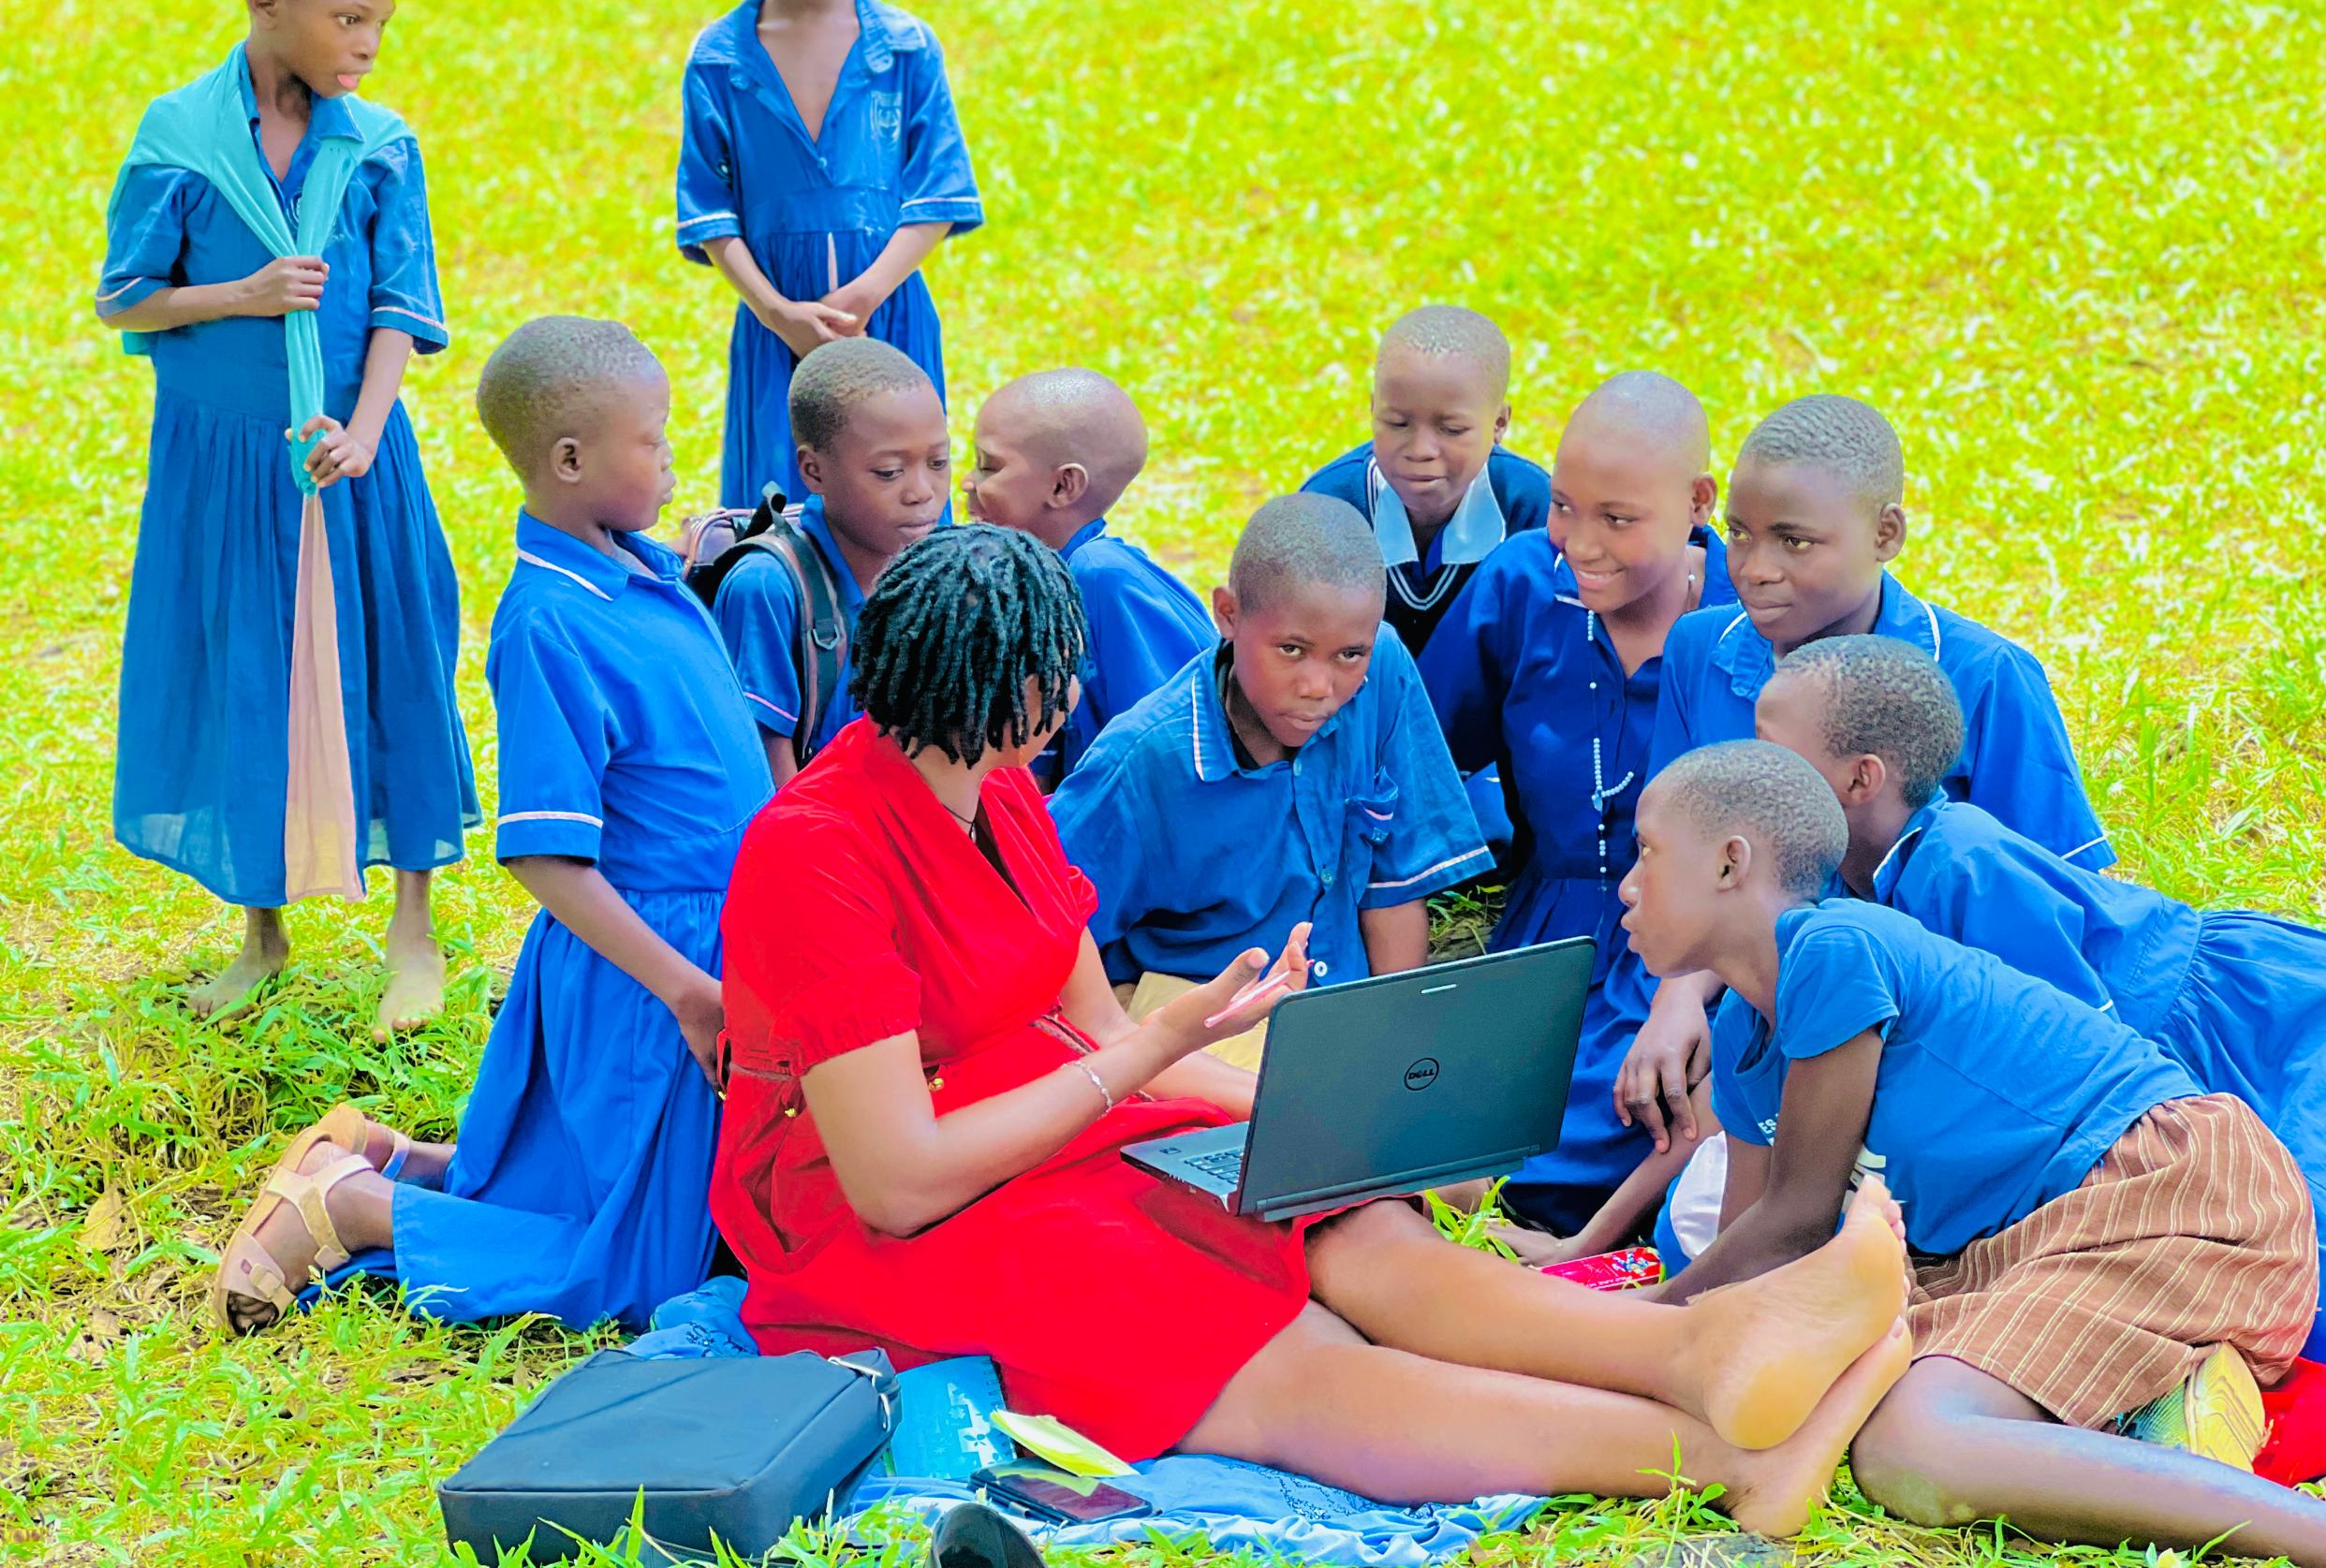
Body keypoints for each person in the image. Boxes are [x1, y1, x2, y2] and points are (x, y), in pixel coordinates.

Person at [710, 521, 1919, 1533]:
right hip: (875, 1212)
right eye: (1042, 683)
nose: (1069, 701)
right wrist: (1160, 1050)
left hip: (1041, 1118)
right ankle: (1728, 1462)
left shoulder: (1000, 781)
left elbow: (1081, 1027)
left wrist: (1304, 1120)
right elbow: (895, 1182)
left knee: (1341, 1212)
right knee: (1259, 1348)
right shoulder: (815, 854)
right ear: (957, 689)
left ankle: (1698, 1351)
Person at [1622, 740, 2326, 1566]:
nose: (1627, 887)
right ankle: (2156, 1417)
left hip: (2165, 1189)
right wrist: (1676, 1335)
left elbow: (1793, 1219)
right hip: (2017, 1248)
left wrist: (1615, 1334)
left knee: (1913, 1446)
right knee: (1830, 1379)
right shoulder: (1744, 1035)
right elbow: (1755, 1267)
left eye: (1647, 852)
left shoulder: (1835, 946)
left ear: (1731, 862)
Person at [207, 318, 776, 1334]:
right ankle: (349, 1205)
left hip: (703, 952)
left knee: (641, 1212)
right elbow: (548, 858)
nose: (671, 456)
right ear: (569, 460)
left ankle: (384, 1157)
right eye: (652, 440)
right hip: (649, 973)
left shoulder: (644, 578)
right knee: (638, 1278)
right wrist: (689, 991)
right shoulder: (549, 622)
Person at [1754, 634, 2326, 1370]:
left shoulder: (1959, 859)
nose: (1751, 774)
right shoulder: (1836, 894)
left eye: (1771, 751)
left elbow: (2089, 1054)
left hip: (2286, 1022)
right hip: (2188, 1074)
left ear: (1859, 779)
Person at [94, 0, 478, 1036]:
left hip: (354, 459)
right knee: (249, 675)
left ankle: (414, 933)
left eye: (380, 26)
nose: (367, 45)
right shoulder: (179, 140)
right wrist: (245, 295)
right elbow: (128, 296)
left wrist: (365, 428)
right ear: (268, 2)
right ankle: (260, 935)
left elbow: (402, 304)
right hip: (226, 470)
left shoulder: (377, 146)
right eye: (351, 19)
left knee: (393, 663)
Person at [1635, 393, 2113, 1154]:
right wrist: (1676, 999)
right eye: (1739, 534)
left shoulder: (1983, 675)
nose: (1757, 570)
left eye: (1796, 541)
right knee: (1620, 1135)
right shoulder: (1701, 650)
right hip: (1751, 1002)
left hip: (1930, 1029)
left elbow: (2047, 914)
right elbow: (1678, 854)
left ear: (1886, 533)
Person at [1417, 373, 1731, 1240]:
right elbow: (1422, 759)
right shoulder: (1523, 588)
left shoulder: (1750, 622)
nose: (1577, 542)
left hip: (1693, 950)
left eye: (1617, 519)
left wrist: (1679, 996)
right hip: (1546, 934)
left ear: (1699, 503)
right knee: (1452, 1137)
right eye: (1562, 506)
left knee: (1640, 1119)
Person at [1051, 495, 1492, 1069]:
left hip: (1335, 1012)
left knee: (1465, 1147)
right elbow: (1047, 931)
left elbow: (1395, 883)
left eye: (1347, 654)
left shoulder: (1380, 669)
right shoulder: (1142, 763)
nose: (1319, 685)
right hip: (1196, 1021)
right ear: (1228, 614)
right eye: (1291, 650)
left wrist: (1398, 1039)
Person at [676, 0, 980, 507]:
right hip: (778, 331)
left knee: (897, 495)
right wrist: (779, 312)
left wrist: (868, 294)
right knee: (783, 502)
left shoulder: (906, 48)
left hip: (889, 316)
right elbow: (708, 213)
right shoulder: (721, 59)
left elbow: (939, 195)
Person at [963, 368, 1215, 784]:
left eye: (990, 467)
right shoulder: (1035, 580)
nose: (968, 482)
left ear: (1064, 486)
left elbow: (1170, 753)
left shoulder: (1101, 578)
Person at [715, 337, 949, 784]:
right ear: (813, 471)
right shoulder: (769, 587)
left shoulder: (929, 571)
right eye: (889, 472)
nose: (922, 491)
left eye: (938, 462)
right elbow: (767, 771)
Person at [1300, 305, 1550, 657]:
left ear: (1498, 424)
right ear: (1373, 410)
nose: (1420, 450)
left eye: (1452, 430)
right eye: (1397, 423)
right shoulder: (1330, 507)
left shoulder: (1528, 509)